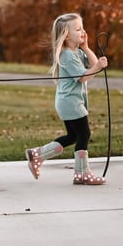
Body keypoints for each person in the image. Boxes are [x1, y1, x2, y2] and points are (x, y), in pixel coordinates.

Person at [26, 13, 109, 185]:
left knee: (73, 136)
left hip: (68, 101)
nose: (82, 32)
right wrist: (98, 66)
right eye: (78, 29)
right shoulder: (67, 56)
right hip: (71, 102)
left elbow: (94, 65)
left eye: (82, 28)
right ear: (66, 35)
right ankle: (82, 173)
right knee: (84, 134)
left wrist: (86, 48)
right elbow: (83, 77)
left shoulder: (76, 52)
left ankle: (37, 155)